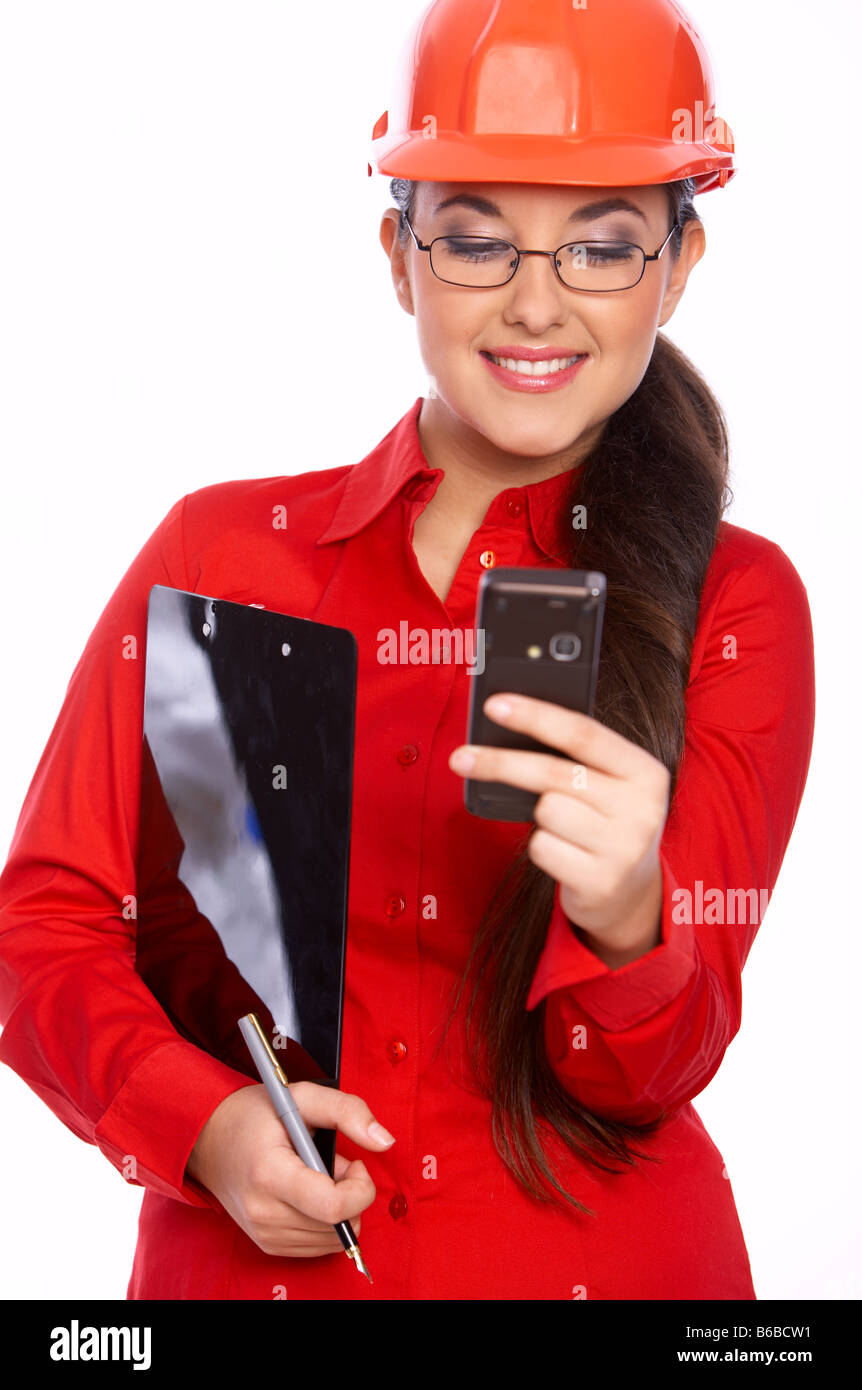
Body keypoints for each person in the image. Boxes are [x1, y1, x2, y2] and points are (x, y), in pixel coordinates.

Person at [0, 0, 815, 1300]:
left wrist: (626, 916)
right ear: (399, 256)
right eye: (477, 242)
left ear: (679, 263)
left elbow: (652, 1070)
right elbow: (47, 922)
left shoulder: (730, 599)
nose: (536, 304)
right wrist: (200, 1126)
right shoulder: (225, 557)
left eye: (600, 248)